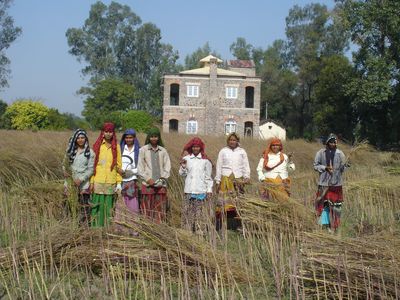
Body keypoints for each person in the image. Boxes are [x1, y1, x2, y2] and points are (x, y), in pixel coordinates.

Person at [214, 132, 250, 231]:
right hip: (225, 179)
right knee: (223, 204)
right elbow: (219, 166)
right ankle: (220, 226)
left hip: (238, 179)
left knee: (238, 203)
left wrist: (246, 176)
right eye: (230, 140)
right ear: (228, 141)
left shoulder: (242, 151)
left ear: (237, 141)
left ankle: (239, 226)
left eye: (234, 140)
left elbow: (245, 165)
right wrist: (218, 181)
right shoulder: (223, 151)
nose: (232, 142)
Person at [90, 122, 122, 227]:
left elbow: (118, 166)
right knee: (96, 206)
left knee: (108, 206)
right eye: (106, 131)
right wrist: (91, 181)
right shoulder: (97, 146)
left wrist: (119, 183)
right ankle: (95, 228)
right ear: (103, 132)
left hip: (110, 181)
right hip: (98, 180)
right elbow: (92, 165)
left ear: (113, 133)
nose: (108, 134)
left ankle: (106, 228)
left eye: (110, 131)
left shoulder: (116, 147)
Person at [179, 137, 213, 234]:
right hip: (189, 189)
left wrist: (209, 189)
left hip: (200, 190)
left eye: (197, 147)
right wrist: (183, 166)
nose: (195, 149)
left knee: (199, 212)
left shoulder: (205, 160)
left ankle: (199, 230)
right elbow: (182, 174)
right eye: (194, 147)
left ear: (201, 147)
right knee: (187, 211)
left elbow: (208, 177)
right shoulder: (186, 158)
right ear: (191, 147)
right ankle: (187, 231)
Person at [314, 133, 347, 231]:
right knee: (324, 205)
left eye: (334, 142)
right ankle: (325, 226)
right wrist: (325, 168)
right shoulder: (321, 153)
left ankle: (336, 226)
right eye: (331, 142)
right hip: (324, 183)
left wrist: (343, 167)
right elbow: (315, 165)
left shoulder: (340, 153)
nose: (332, 144)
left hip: (336, 184)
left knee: (337, 207)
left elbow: (343, 168)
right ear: (327, 142)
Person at [137, 128, 171, 223]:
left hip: (161, 185)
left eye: (155, 136)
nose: (153, 138)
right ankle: (147, 228)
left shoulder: (163, 151)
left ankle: (159, 228)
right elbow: (140, 167)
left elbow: (167, 167)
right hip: (147, 184)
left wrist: (161, 179)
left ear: (158, 137)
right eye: (151, 136)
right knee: (147, 207)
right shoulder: (143, 150)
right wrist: (148, 179)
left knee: (160, 208)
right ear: (149, 137)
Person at [63, 129, 95, 225]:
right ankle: (71, 224)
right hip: (70, 183)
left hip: (83, 185)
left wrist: (81, 179)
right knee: (70, 205)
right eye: (78, 138)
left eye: (82, 138)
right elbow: (64, 164)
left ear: (86, 139)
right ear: (75, 139)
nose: (80, 140)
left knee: (83, 207)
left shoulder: (90, 152)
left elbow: (91, 170)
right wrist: (64, 170)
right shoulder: (70, 151)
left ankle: (83, 227)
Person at [119, 128, 140, 214]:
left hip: (132, 179)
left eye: (130, 137)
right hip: (121, 179)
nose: (128, 139)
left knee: (132, 201)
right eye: (126, 137)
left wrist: (131, 172)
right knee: (121, 200)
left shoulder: (139, 150)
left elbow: (141, 166)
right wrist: (119, 170)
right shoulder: (120, 149)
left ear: (134, 138)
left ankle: (133, 223)